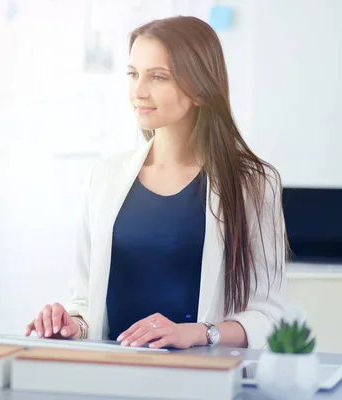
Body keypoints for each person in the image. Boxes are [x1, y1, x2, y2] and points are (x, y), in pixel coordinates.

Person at [24, 16, 287, 349]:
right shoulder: (104, 177)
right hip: (114, 373)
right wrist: (72, 323)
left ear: (201, 89)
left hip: (200, 380)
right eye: (133, 74)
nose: (139, 91)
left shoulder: (252, 184)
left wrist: (200, 332)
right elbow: (85, 303)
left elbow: (270, 315)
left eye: (158, 77)